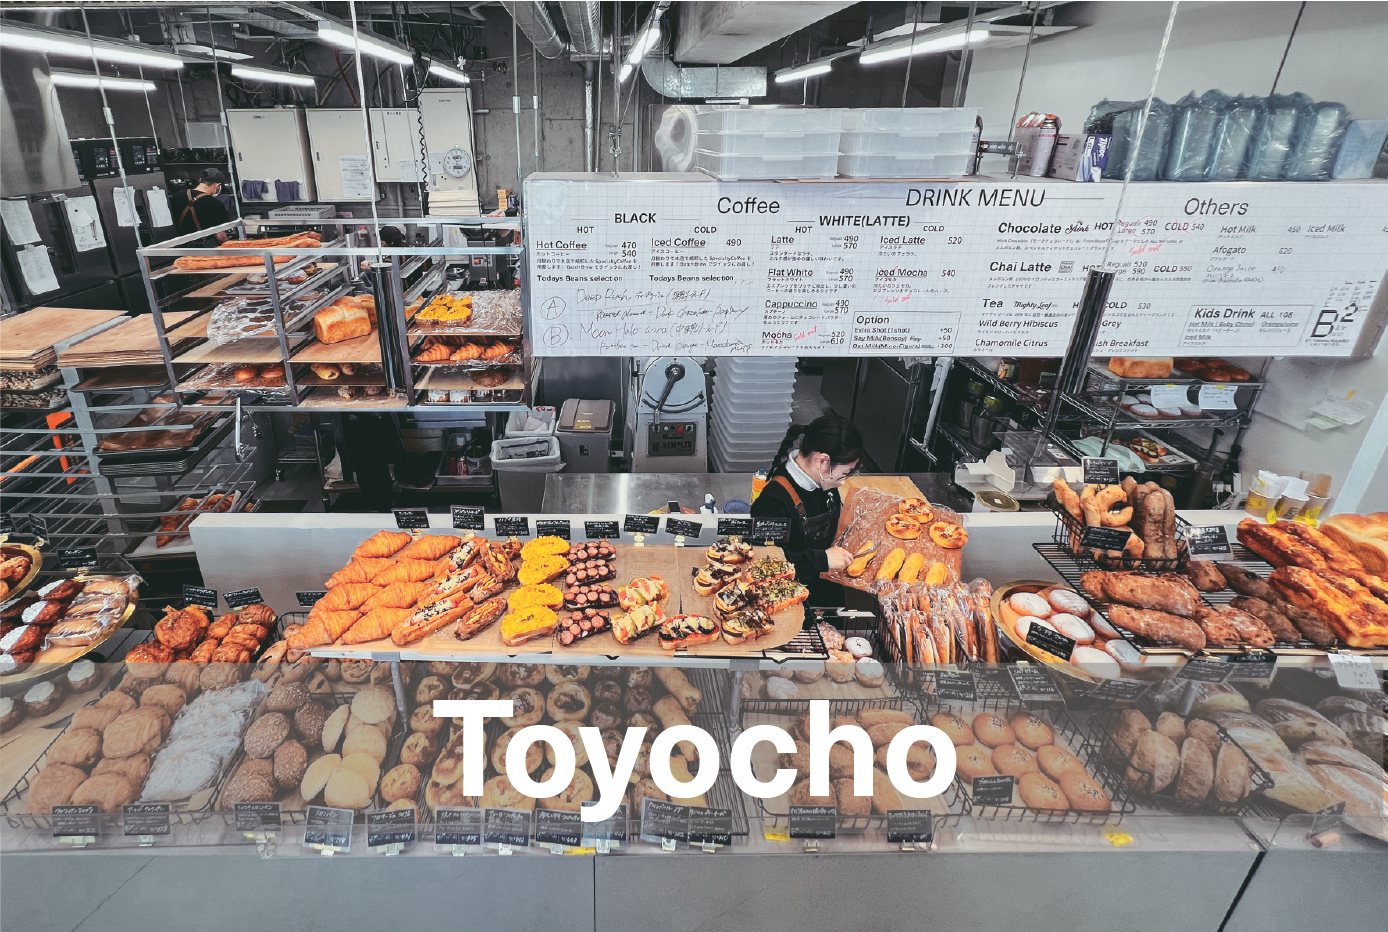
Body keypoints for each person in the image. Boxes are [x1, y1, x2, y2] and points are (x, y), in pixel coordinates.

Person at [749, 414, 865, 608]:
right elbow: (764, 562)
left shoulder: (823, 480)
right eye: (845, 474)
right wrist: (822, 559)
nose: (844, 482)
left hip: (826, 584)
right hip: (792, 598)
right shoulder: (773, 502)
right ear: (823, 461)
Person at [174, 168, 230, 243]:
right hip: (203, 247)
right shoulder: (215, 204)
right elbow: (220, 235)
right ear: (218, 186)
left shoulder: (177, 196)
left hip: (181, 246)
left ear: (200, 180)